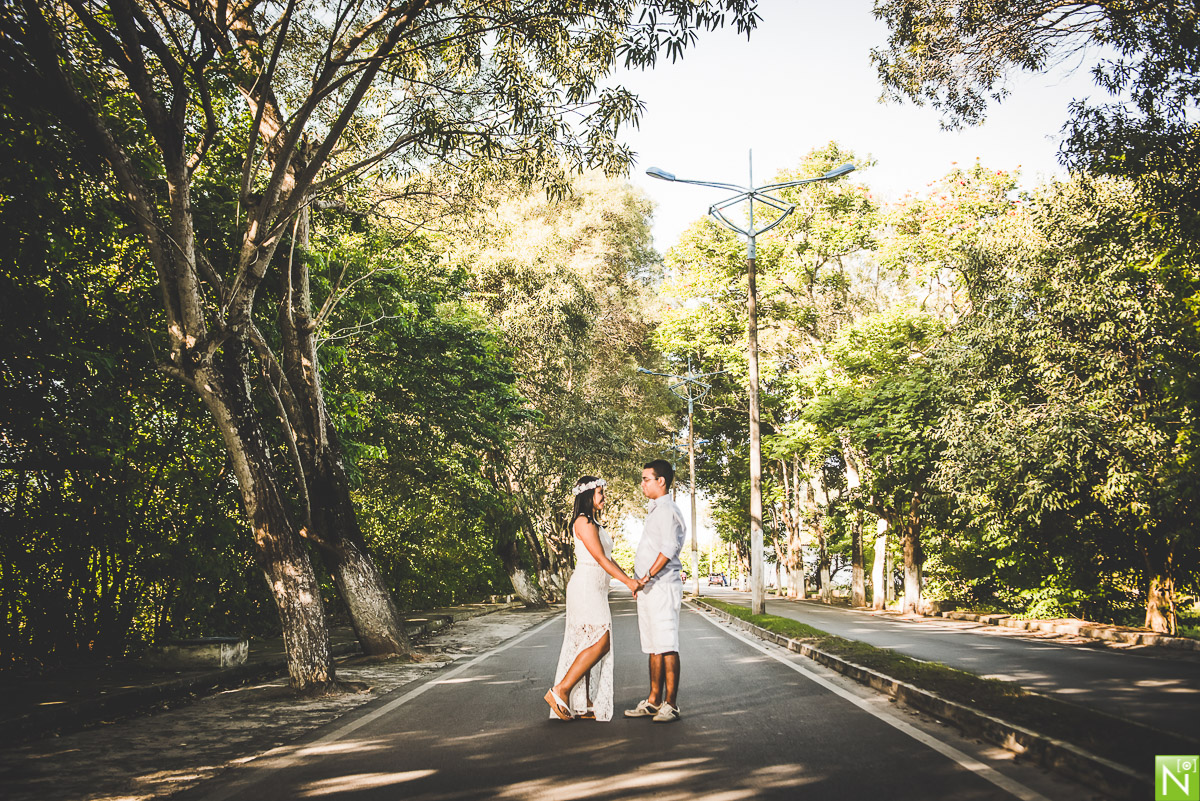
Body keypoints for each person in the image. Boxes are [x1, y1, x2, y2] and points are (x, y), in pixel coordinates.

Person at [545, 476, 642, 721]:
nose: (604, 497)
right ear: (588, 495)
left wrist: (629, 577)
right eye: (600, 492)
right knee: (601, 642)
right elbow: (600, 559)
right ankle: (561, 690)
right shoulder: (583, 522)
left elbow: (608, 557)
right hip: (586, 588)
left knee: (588, 643)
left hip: (597, 589)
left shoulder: (594, 523)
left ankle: (584, 702)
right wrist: (628, 582)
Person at [625, 459, 687, 723]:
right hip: (650, 588)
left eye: (646, 479)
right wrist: (641, 581)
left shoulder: (668, 510)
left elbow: (668, 549)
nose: (642, 484)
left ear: (661, 481)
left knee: (667, 644)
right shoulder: (655, 510)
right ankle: (653, 701)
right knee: (653, 646)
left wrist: (646, 576)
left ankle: (670, 705)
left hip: (662, 587)